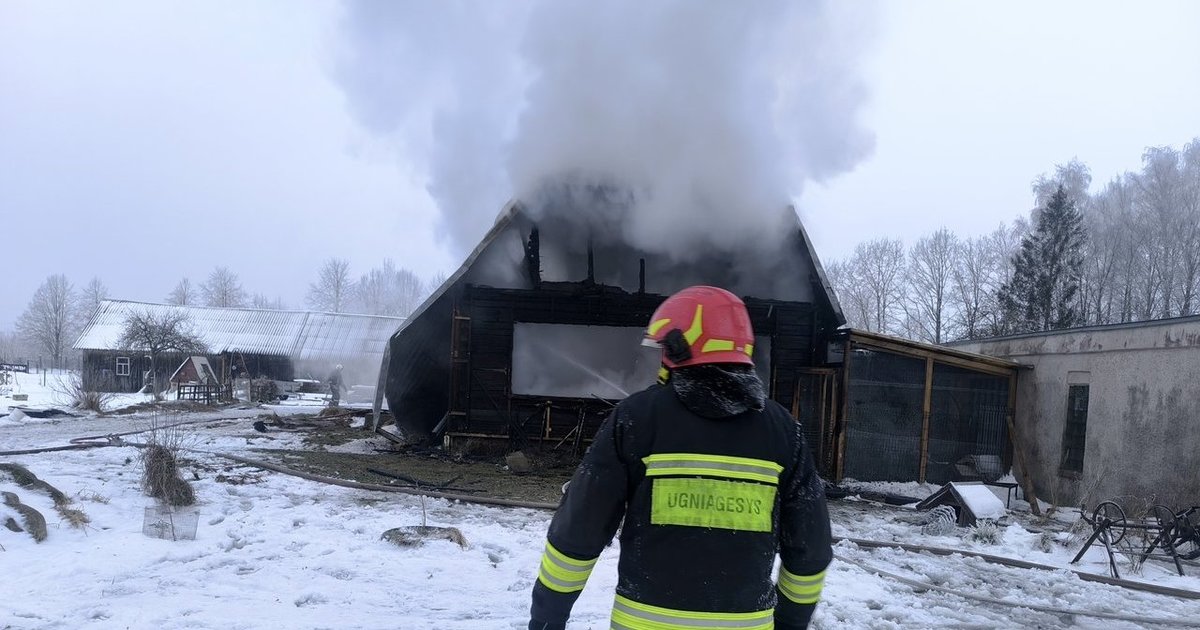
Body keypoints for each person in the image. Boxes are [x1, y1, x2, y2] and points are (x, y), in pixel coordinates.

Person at [528, 285, 832, 630]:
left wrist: (546, 619)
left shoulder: (636, 419)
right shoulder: (784, 433)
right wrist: (790, 624)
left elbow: (578, 531)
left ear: (677, 348)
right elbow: (811, 550)